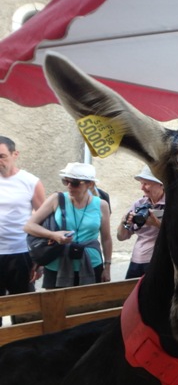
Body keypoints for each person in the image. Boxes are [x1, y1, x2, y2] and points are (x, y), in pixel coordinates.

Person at [24, 162, 112, 288]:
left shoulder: (101, 205)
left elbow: (106, 238)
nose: (69, 186)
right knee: (56, 304)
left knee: (89, 303)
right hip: (57, 264)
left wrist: (107, 266)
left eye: (75, 183)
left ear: (90, 184)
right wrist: (53, 235)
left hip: (91, 263)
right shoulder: (57, 199)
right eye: (66, 181)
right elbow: (29, 226)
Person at [0, 136, 46, 323]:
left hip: (20, 253)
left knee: (25, 311)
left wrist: (40, 259)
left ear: (15, 154)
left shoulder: (30, 182)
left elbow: (44, 220)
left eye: (2, 156)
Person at [116, 166, 165, 279]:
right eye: (141, 183)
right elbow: (121, 237)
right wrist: (124, 221)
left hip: (160, 261)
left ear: (161, 184)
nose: (142, 188)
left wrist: (155, 223)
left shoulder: (172, 204)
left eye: (146, 183)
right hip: (137, 260)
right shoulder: (139, 204)